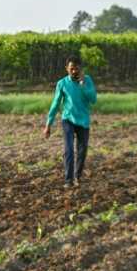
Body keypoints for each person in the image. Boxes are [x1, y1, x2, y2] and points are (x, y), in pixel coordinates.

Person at [43, 57, 97, 188]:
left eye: (76, 68)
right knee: (68, 149)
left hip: (83, 121)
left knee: (82, 150)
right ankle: (68, 180)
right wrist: (48, 124)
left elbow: (93, 99)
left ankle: (77, 176)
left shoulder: (88, 80)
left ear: (81, 68)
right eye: (71, 68)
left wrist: (83, 85)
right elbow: (55, 104)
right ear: (66, 68)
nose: (74, 71)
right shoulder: (62, 83)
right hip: (68, 119)